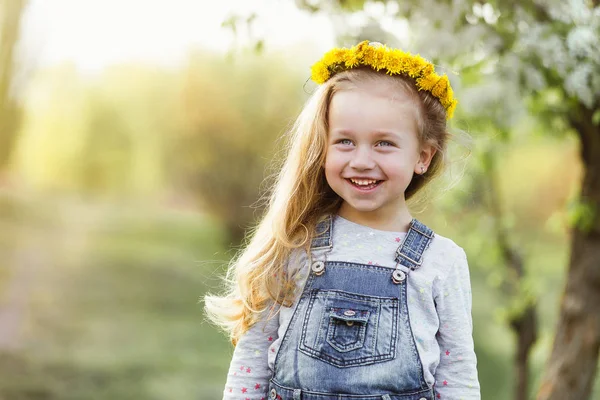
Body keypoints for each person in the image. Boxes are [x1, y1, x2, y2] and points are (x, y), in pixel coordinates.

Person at [204, 40, 480, 400]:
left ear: (423, 157)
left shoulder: (441, 261)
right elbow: (252, 362)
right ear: (322, 148)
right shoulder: (294, 246)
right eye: (345, 142)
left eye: (384, 143)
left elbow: (456, 377)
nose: (362, 160)